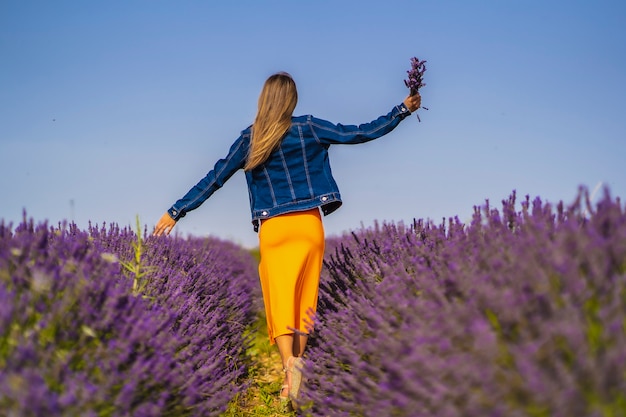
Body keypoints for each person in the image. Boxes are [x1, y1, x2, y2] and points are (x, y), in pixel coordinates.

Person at [153, 72, 421, 406]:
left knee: (279, 301)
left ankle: (288, 369)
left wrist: (176, 211)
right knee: (304, 298)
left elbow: (215, 178)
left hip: (274, 229)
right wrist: (402, 109)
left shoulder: (251, 139)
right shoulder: (309, 127)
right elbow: (360, 133)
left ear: (263, 100)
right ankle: (296, 376)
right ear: (291, 100)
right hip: (309, 225)